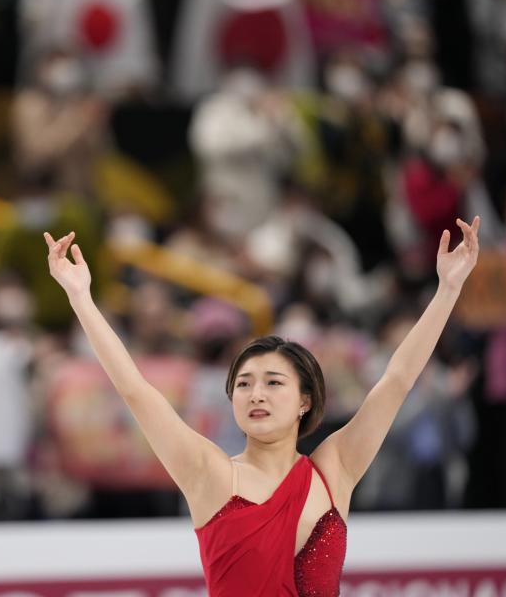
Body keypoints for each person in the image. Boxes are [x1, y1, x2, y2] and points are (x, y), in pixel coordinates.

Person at [43, 215, 480, 596]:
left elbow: (397, 380)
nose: (256, 394)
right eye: (245, 384)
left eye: (273, 383)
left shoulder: (334, 470)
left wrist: (448, 290)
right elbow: (134, 389)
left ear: (305, 400)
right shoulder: (208, 473)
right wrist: (80, 297)